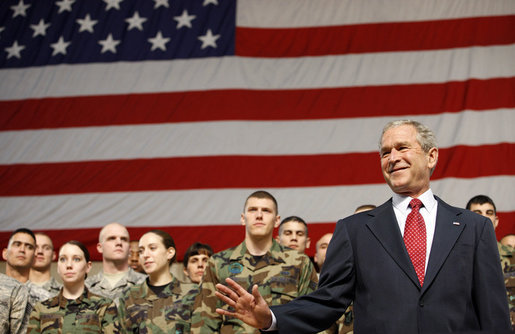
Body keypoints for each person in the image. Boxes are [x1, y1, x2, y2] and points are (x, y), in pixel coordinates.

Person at [214, 120, 511, 333]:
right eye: (385, 152)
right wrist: (271, 319)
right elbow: (328, 300)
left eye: (402, 148)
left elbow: (493, 313)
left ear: (431, 156)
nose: (392, 158)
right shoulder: (355, 230)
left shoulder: (473, 227)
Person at [191, 190, 319, 333]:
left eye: (266, 210)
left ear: (277, 220)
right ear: (243, 218)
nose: (259, 215)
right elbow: (204, 321)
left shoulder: (299, 262)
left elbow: (312, 317)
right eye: (252, 210)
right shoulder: (218, 263)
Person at [27, 240, 122, 333]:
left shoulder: (104, 307)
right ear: (58, 267)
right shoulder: (41, 309)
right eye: (63, 259)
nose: (69, 265)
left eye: (76, 259)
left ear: (88, 267)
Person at [118, 230, 199, 333]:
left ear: (169, 253)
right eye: (141, 251)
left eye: (152, 248)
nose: (145, 255)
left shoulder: (193, 293)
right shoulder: (129, 296)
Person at [2, 228, 52, 329]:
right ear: (5, 253)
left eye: (29, 247)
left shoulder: (46, 299)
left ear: (34, 258)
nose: (22, 250)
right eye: (17, 244)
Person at [86, 222, 145, 304]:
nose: (119, 243)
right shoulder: (86, 287)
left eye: (124, 239)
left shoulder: (147, 284)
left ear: (129, 248)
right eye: (112, 238)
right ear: (100, 247)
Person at [29, 233, 62, 297]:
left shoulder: (65, 293)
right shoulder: (16, 289)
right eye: (35, 247)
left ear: (54, 255)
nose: (40, 251)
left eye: (46, 248)